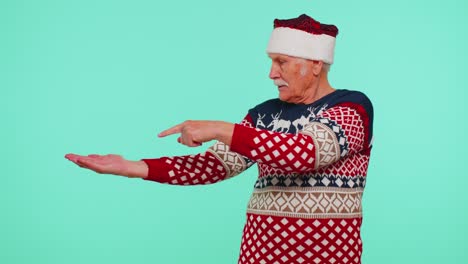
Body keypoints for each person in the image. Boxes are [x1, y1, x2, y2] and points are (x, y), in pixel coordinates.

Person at [65, 14, 374, 264]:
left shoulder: (351, 107)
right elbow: (214, 165)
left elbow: (304, 152)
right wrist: (132, 167)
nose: (271, 72)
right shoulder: (263, 114)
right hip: (257, 255)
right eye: (271, 61)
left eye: (281, 61)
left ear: (315, 64)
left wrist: (219, 128)